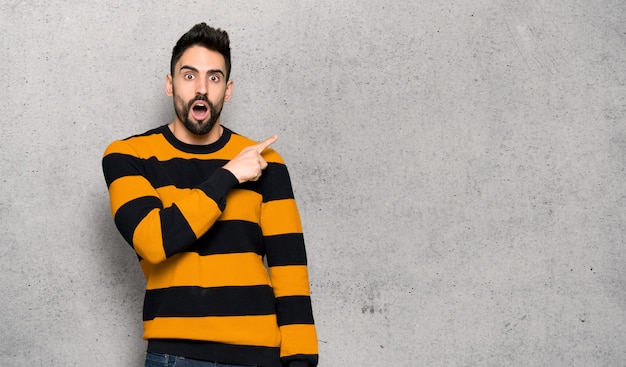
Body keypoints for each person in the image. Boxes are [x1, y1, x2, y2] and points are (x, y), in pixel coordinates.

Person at [102, 23, 318, 367]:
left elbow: (289, 269)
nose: (201, 89)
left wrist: (301, 361)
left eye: (214, 78)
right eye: (189, 76)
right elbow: (154, 240)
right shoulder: (129, 156)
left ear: (227, 90)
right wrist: (228, 176)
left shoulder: (265, 162)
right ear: (169, 84)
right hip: (176, 355)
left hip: (259, 357)